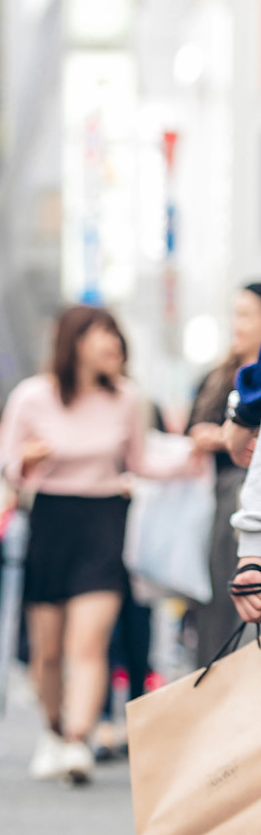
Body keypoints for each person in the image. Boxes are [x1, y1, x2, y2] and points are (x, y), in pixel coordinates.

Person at [0, 305, 204, 784]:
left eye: (116, 335)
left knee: (87, 645)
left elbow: (141, 461)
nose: (114, 344)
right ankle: (53, 730)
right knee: (47, 651)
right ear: (74, 342)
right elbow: (7, 467)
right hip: (51, 521)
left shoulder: (128, 398)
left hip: (105, 520)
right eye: (102, 335)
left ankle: (77, 740)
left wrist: (192, 458)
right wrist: (26, 460)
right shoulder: (32, 397)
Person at [185, 284, 261, 665]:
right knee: (219, 600)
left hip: (244, 493)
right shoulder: (219, 376)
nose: (238, 324)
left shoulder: (250, 383)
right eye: (236, 314)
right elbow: (193, 429)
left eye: (248, 314)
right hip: (224, 495)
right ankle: (218, 694)